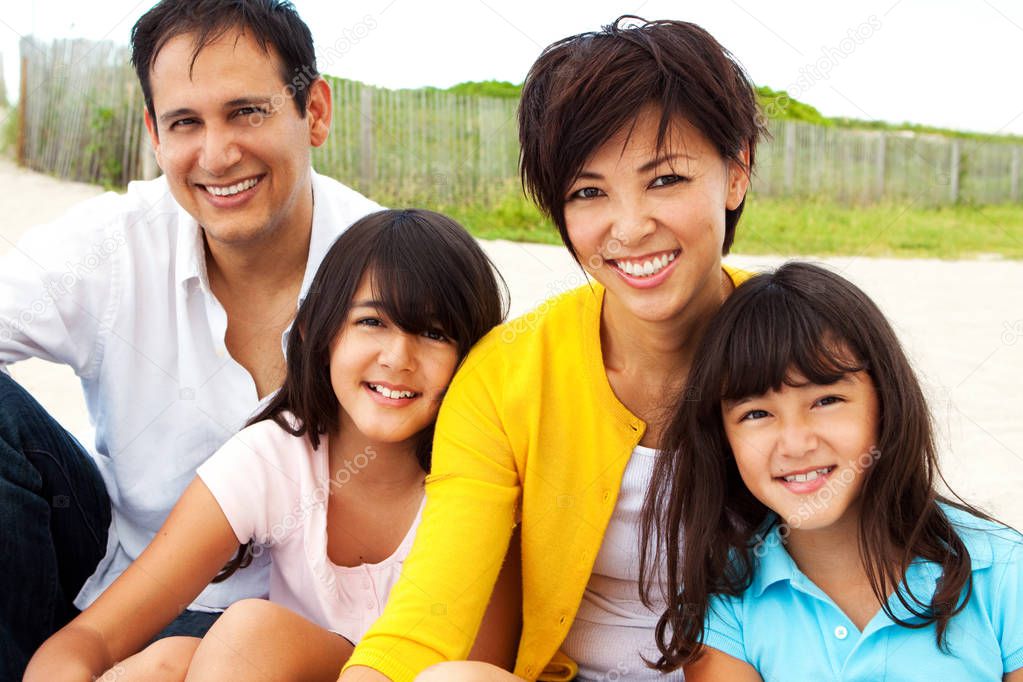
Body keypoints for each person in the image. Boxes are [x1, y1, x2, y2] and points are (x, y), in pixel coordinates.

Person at [340, 16, 764, 682]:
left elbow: (890, 554)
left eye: (665, 180)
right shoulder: (508, 374)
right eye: (588, 192)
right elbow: (427, 617)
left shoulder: (807, 347)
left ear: (736, 171)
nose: (628, 227)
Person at [0, 0, 381, 677]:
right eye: (185, 122)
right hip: (123, 582)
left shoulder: (394, 267)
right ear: (154, 134)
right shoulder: (109, 246)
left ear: (314, 112)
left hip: (315, 621)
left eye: (247, 111)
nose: (217, 154)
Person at [24, 209, 518, 681]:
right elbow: (92, 636)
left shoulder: (483, 479)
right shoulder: (278, 457)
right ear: (316, 332)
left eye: (434, 333)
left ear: (475, 357)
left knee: (251, 634)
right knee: (168, 661)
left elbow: (465, 668)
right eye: (372, 322)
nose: (399, 357)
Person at [641, 262, 1023, 681]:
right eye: (756, 413)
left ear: (886, 403)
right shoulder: (725, 606)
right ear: (723, 439)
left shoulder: (1004, 572)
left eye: (826, 401)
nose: (796, 443)